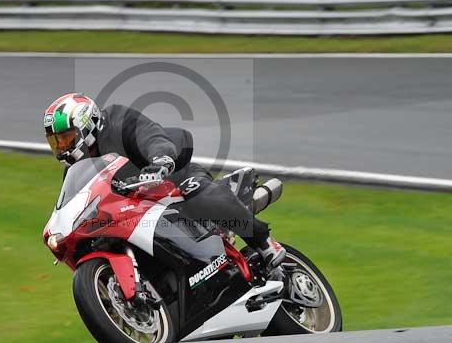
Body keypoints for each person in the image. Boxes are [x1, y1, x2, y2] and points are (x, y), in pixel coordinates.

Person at [43, 93, 285, 267]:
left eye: (66, 138)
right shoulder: (77, 171)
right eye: (56, 142)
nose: (62, 147)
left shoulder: (118, 121)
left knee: (199, 194)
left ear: (87, 125)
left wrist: (160, 160)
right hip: (135, 212)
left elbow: (149, 135)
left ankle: (263, 241)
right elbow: (76, 205)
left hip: (171, 182)